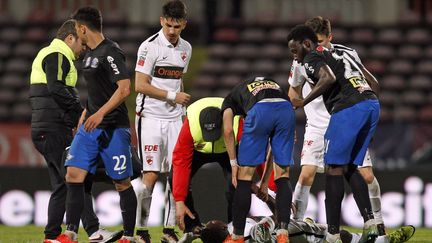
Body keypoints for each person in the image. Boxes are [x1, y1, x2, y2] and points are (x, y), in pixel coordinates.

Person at [288, 16, 386, 236]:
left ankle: (372, 226)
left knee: (360, 173)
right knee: (308, 174)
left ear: (329, 37)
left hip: (344, 114)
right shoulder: (301, 60)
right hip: (320, 122)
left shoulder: (341, 52)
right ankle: (296, 222)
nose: (318, 45)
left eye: (321, 40)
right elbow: (293, 91)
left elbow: (331, 79)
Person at [29, 19, 121, 243]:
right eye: (81, 43)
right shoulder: (57, 54)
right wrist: (80, 113)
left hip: (45, 127)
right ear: (69, 38)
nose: (84, 48)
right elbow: (56, 88)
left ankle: (53, 236)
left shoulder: (51, 54)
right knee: (74, 180)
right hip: (53, 128)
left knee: (63, 184)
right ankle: (93, 232)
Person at [60, 7, 137, 243]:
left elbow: (124, 89)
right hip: (90, 125)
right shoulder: (90, 54)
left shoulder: (111, 52)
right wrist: (86, 111)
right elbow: (98, 90)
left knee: (121, 182)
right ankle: (70, 233)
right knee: (73, 174)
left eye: (76, 29)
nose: (76, 33)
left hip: (113, 127)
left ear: (83, 28)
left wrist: (101, 113)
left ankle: (129, 236)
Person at [134, 0, 192, 242]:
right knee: (150, 175)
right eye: (168, 25)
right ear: (161, 21)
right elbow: (139, 85)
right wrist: (172, 96)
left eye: (176, 27)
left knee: (175, 174)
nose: (171, 31)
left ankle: (169, 231)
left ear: (184, 25)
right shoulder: (149, 47)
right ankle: (141, 230)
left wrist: (182, 109)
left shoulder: (186, 48)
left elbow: (178, 81)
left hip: (175, 119)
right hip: (150, 117)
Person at [221, 76, 295, 243]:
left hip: (260, 110)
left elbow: (227, 131)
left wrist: (234, 164)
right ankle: (283, 233)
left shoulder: (230, 99)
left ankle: (237, 236)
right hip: (286, 108)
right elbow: (273, 150)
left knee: (244, 176)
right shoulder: (272, 84)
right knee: (283, 174)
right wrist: (264, 181)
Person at [172, 97, 241, 233]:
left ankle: (235, 228)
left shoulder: (237, 124)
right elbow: (180, 163)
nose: (212, 137)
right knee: (173, 179)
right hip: (199, 150)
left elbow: (255, 155)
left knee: (237, 184)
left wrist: (268, 185)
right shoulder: (190, 126)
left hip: (229, 149)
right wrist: (179, 200)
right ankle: (192, 227)